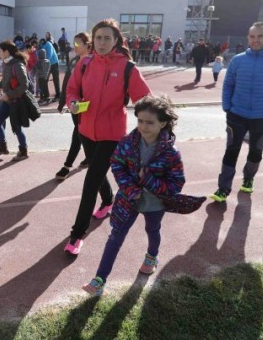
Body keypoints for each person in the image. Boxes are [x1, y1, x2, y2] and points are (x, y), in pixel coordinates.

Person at [64, 19, 151, 256]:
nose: (102, 42)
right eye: (99, 38)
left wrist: (150, 126)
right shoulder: (84, 63)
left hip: (112, 134)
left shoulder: (127, 68)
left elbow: (145, 100)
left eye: (107, 38)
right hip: (85, 129)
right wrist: (72, 102)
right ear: (93, 40)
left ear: (116, 41)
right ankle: (108, 201)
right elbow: (72, 89)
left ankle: (77, 234)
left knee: (91, 180)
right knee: (96, 168)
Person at [82, 95, 184, 296]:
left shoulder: (171, 152)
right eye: (140, 121)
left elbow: (176, 183)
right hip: (128, 200)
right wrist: (131, 188)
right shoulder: (128, 142)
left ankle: (152, 256)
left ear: (163, 123)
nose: (143, 127)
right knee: (115, 237)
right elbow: (117, 164)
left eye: (150, 122)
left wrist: (148, 181)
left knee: (152, 229)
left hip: (155, 203)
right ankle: (99, 280)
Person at [210, 22, 263, 202]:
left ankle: (248, 179)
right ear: (248, 37)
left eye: (260, 36)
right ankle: (223, 189)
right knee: (231, 151)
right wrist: (227, 107)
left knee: (255, 151)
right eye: (252, 36)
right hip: (236, 114)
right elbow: (228, 85)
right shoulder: (238, 60)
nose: (256, 40)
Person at [55, 32, 92, 181]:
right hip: (76, 105)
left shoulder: (94, 62)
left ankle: (67, 166)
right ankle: (89, 157)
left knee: (79, 134)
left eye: (77, 43)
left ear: (87, 44)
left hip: (89, 106)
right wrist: (63, 102)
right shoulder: (74, 61)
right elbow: (68, 85)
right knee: (81, 134)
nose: (74, 46)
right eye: (73, 43)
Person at [0, 40, 30, 160]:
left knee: (17, 128)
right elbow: (6, 79)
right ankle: (3, 146)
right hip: (8, 100)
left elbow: (24, 85)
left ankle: (23, 151)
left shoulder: (17, 65)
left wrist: (9, 95)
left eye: (0, 51)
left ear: (6, 52)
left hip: (16, 102)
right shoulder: (7, 63)